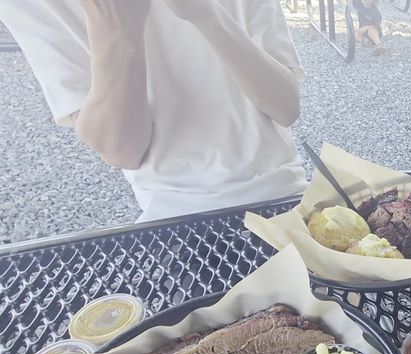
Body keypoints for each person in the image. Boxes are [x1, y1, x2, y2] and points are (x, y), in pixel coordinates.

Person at [0, 0, 307, 222]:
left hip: (285, 193)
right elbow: (122, 150)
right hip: (174, 214)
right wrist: (118, 32)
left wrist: (208, 15)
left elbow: (285, 107)